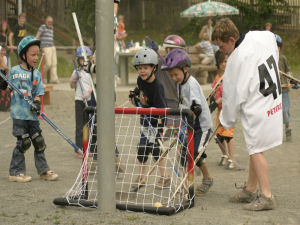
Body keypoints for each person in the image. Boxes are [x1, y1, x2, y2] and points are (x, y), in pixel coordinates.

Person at [212, 18, 282, 210]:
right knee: (256, 147)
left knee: (255, 149)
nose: (221, 50)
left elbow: (232, 96)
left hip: (257, 106)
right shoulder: (259, 35)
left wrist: (226, 120)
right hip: (272, 100)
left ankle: (267, 196)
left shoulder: (235, 59)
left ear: (232, 39)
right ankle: (250, 189)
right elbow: (275, 39)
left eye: (221, 45)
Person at [161, 48, 213, 195]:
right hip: (189, 125)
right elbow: (183, 105)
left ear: (185, 69)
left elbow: (196, 108)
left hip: (201, 127)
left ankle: (203, 180)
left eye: (175, 74)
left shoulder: (191, 84)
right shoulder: (180, 84)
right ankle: (188, 184)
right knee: (184, 154)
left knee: (194, 152)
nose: (173, 78)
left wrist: (188, 121)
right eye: (171, 75)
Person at [7, 36, 58, 182]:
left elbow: (38, 93)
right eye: (33, 54)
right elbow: (7, 87)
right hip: (19, 115)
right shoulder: (14, 71)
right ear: (23, 55)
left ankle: (43, 170)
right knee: (23, 143)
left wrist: (36, 103)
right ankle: (16, 172)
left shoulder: (36, 74)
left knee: (38, 142)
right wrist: (3, 85)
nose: (36, 57)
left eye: (37, 54)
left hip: (32, 116)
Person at [129, 47, 171, 189]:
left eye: (145, 68)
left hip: (157, 122)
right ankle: (142, 177)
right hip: (145, 120)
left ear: (153, 68)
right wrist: (135, 95)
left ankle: (164, 177)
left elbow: (161, 108)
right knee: (142, 148)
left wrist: (159, 126)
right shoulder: (140, 80)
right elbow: (141, 95)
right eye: (139, 68)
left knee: (156, 150)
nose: (142, 71)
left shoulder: (158, 86)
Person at [212, 50, 235, 169]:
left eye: (226, 61)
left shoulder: (229, 76)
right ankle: (224, 155)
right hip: (220, 111)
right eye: (222, 62)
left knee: (228, 135)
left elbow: (230, 93)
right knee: (218, 136)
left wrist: (219, 100)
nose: (224, 64)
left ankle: (232, 159)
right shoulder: (217, 77)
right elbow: (214, 92)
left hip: (229, 110)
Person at [70, 46, 93, 158]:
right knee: (79, 125)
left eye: (86, 59)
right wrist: (74, 79)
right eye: (81, 59)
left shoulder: (91, 72)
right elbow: (71, 85)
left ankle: (89, 147)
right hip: (79, 100)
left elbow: (94, 86)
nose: (84, 61)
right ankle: (79, 148)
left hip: (89, 101)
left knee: (88, 124)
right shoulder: (76, 71)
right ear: (78, 60)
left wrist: (89, 92)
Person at [276, 34, 295, 142]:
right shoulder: (268, 59)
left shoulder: (283, 58)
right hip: (274, 91)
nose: (276, 48)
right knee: (274, 113)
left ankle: (287, 127)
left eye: (278, 46)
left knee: (285, 111)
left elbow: (288, 71)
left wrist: (292, 80)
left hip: (284, 91)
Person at [36, 16, 59, 84]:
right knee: (48, 64)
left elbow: (50, 38)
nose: (50, 23)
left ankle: (53, 79)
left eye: (51, 22)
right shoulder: (42, 27)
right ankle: (39, 76)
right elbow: (37, 36)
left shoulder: (52, 28)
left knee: (54, 64)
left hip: (52, 47)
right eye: (49, 22)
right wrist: (36, 45)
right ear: (46, 21)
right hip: (45, 47)